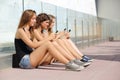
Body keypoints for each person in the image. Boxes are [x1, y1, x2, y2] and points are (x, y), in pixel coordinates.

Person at [13, 9, 84, 71]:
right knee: (48, 44)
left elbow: (36, 46)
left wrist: (52, 38)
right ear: (27, 19)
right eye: (33, 19)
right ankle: (68, 64)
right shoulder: (20, 31)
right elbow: (33, 45)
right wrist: (48, 38)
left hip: (32, 58)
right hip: (25, 61)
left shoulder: (31, 31)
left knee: (53, 44)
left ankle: (73, 60)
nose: (35, 21)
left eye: (35, 19)